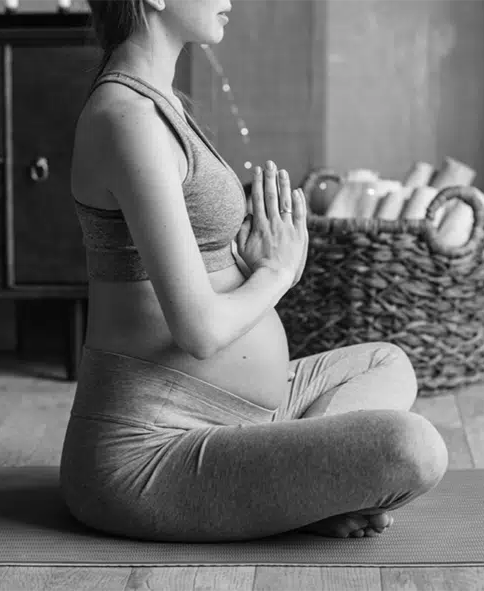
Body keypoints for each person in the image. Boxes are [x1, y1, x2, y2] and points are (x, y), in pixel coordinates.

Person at [59, 0, 449, 543]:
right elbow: (198, 331)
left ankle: (302, 482)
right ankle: (307, 486)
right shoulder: (128, 120)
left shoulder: (162, 103)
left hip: (244, 415)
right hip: (152, 450)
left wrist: (245, 258)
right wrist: (277, 272)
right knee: (413, 448)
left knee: (390, 362)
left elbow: (180, 270)